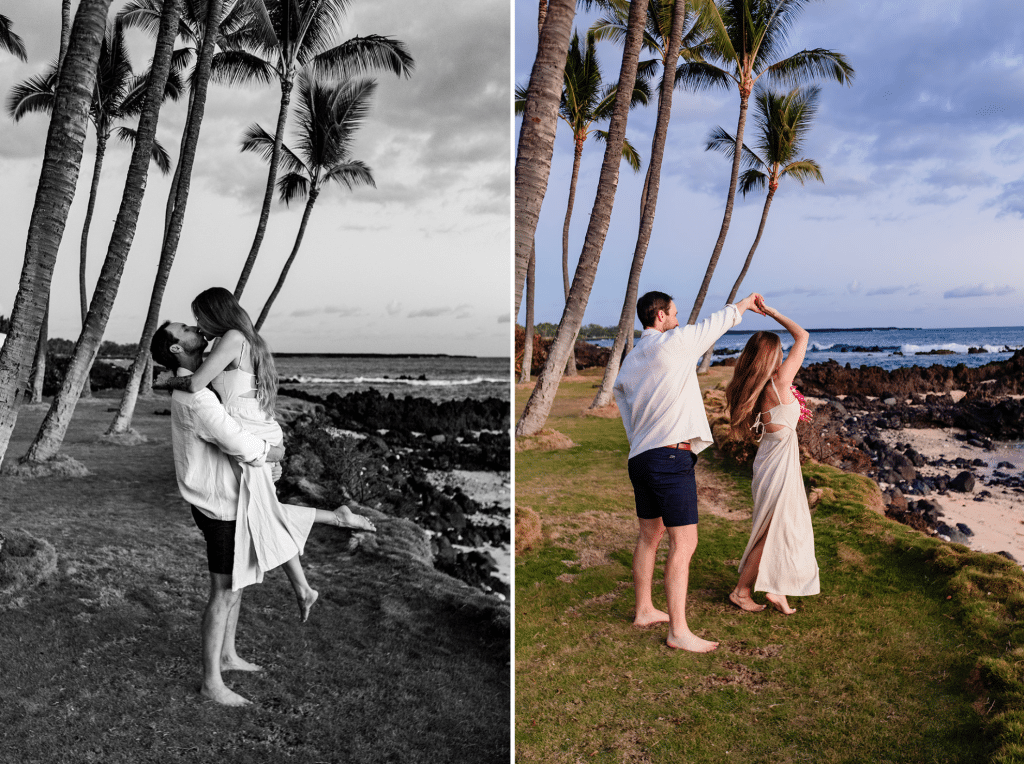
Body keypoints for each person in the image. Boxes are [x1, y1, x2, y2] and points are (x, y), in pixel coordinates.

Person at [159, 289, 374, 623]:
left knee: (261, 511)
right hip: (253, 427)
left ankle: (337, 521)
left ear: (217, 313)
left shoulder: (231, 337)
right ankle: (305, 584)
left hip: (252, 432)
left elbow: (197, 383)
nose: (198, 326)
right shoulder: (238, 339)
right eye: (192, 323)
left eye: (199, 317)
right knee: (261, 511)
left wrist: (166, 381)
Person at [613, 290, 764, 652]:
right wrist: (744, 304)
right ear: (661, 316)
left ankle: (645, 609)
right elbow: (715, 325)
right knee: (685, 543)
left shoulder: (632, 360)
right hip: (669, 457)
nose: (679, 320)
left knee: (649, 537)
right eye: (675, 314)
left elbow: (623, 405)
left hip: (641, 457)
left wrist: (641, 442)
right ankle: (678, 631)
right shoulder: (673, 343)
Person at [724, 297, 818, 615]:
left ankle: (777, 590)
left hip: (771, 464)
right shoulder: (779, 382)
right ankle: (741, 591)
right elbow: (803, 336)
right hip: (778, 467)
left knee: (780, 529)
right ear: (772, 356)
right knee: (773, 532)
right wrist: (774, 313)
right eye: (779, 351)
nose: (783, 355)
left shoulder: (757, 386)